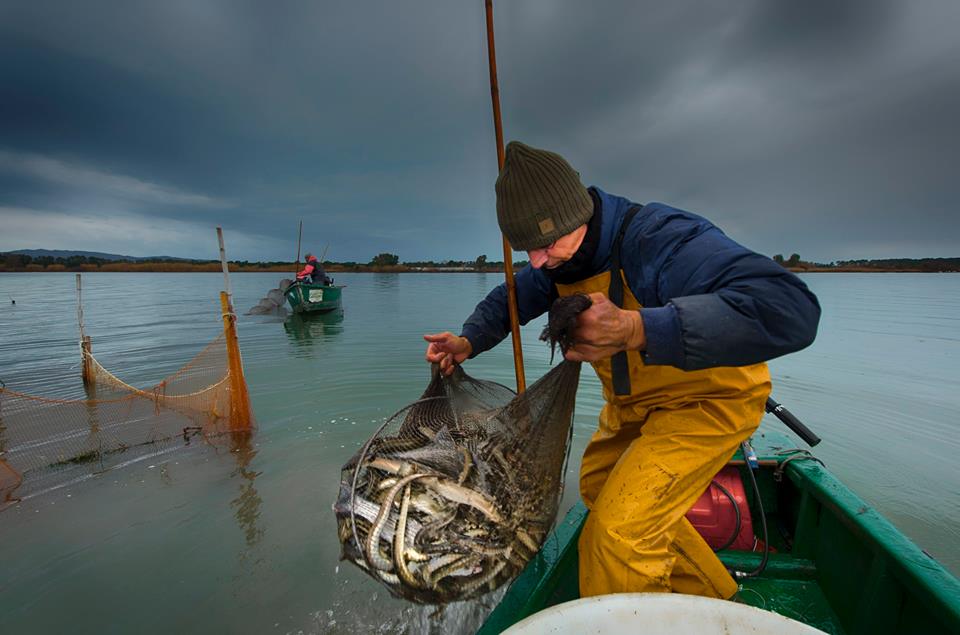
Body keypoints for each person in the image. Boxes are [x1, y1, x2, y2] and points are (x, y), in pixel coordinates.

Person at [423, 141, 820, 600]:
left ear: (577, 215)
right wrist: (469, 340)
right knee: (598, 485)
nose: (536, 260)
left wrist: (636, 327)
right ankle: (715, 601)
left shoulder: (659, 239)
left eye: (545, 243)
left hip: (709, 400)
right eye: (525, 247)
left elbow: (791, 309)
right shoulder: (558, 261)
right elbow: (512, 298)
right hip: (633, 407)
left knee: (620, 536)